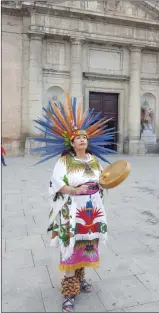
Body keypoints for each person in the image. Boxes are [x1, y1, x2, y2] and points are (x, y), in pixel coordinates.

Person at [30, 92, 116, 312]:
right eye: (79, 137)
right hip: (72, 210)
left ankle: (80, 278)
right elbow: (56, 184)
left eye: (85, 137)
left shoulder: (94, 160)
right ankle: (69, 291)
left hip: (91, 209)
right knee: (70, 247)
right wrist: (76, 189)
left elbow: (102, 180)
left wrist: (105, 184)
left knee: (87, 245)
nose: (83, 140)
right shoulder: (64, 161)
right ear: (72, 141)